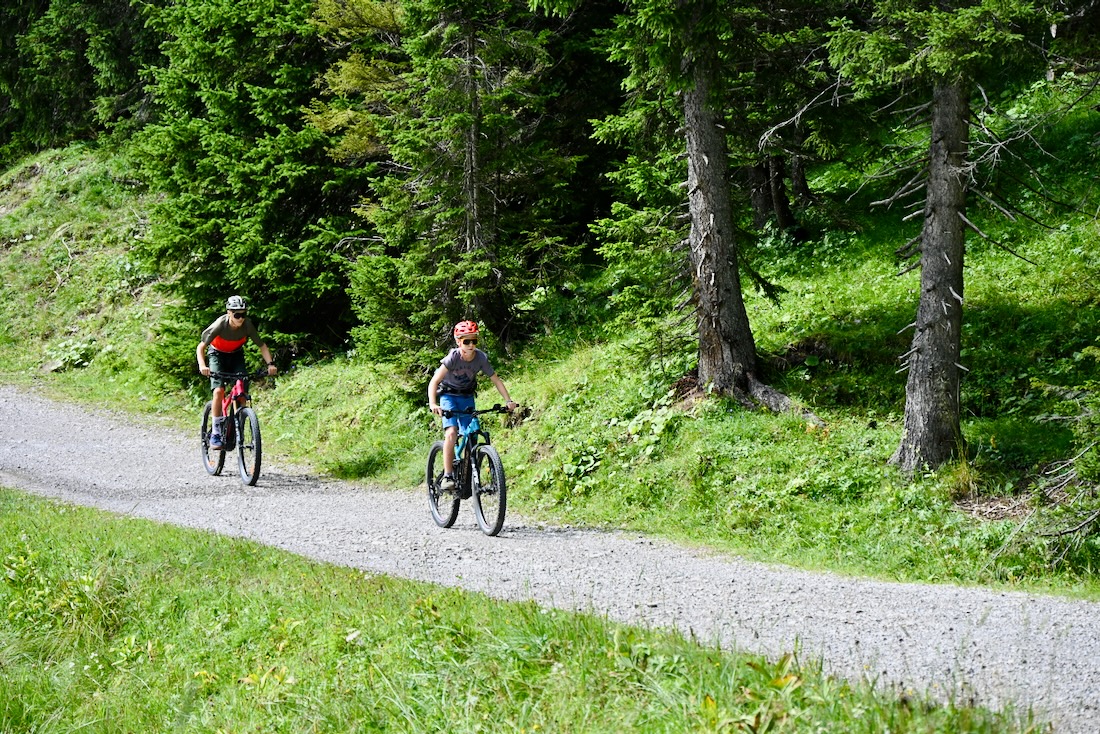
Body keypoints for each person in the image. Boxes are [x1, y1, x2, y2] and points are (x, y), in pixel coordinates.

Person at [428, 320, 517, 490]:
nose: (471, 345)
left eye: (474, 340)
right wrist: (433, 403)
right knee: (452, 433)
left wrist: (508, 400)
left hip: (467, 396)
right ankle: (448, 475)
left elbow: (496, 380)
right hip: (448, 396)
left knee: (473, 434)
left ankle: (469, 475)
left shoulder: (481, 358)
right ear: (458, 341)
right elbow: (434, 381)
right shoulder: (453, 357)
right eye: (466, 341)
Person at [197, 295, 277, 450]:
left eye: (243, 314)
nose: (240, 318)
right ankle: (215, 431)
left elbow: (262, 345)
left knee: (241, 392)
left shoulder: (247, 325)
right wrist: (202, 365)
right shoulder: (220, 325)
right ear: (229, 313)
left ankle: (237, 427)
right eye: (237, 314)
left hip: (236, 355)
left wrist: (270, 364)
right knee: (219, 391)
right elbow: (201, 347)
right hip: (217, 355)